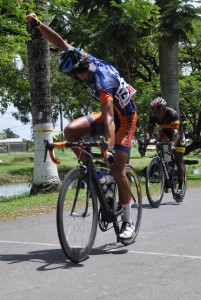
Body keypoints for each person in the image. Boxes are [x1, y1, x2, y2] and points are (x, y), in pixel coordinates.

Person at [26, 13, 138, 239]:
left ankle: (128, 221)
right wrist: (39, 25)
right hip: (110, 113)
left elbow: (108, 119)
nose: (70, 78)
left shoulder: (102, 83)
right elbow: (60, 43)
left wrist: (108, 147)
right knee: (70, 131)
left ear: (77, 72)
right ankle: (95, 175)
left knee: (117, 169)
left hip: (124, 119)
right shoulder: (82, 57)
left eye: (70, 75)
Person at [139, 97, 186, 201]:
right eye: (154, 112)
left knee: (178, 159)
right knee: (158, 140)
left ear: (164, 109)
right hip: (165, 133)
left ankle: (180, 188)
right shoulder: (153, 116)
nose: (157, 114)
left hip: (177, 134)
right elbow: (149, 132)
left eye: (158, 111)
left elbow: (175, 134)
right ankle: (164, 168)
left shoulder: (172, 114)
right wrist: (144, 145)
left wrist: (173, 145)